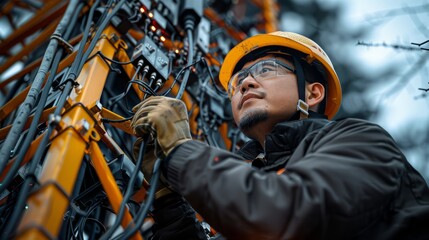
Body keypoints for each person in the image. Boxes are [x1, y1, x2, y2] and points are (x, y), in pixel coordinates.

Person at [131, 31, 429, 239]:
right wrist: (168, 203)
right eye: (237, 83)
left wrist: (183, 151)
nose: (245, 83)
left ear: (313, 93)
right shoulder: (246, 181)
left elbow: (283, 214)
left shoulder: (361, 141)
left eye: (267, 68)